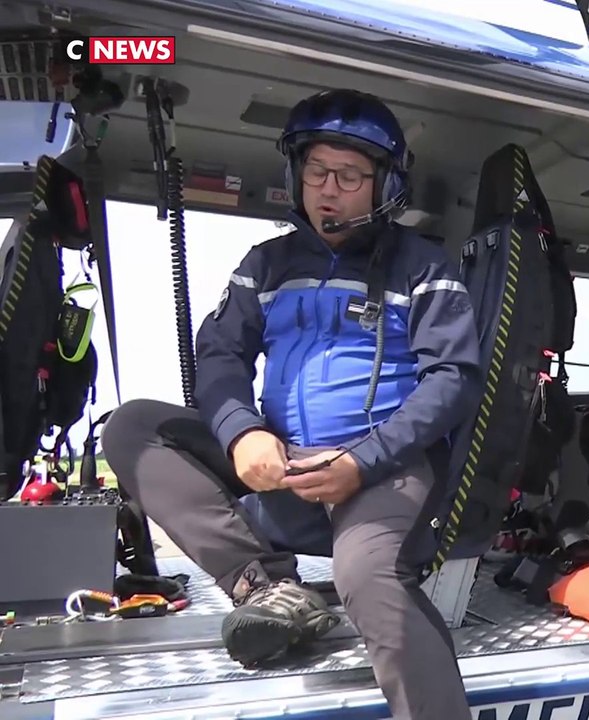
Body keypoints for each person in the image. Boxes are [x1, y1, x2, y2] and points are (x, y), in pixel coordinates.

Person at [102, 88, 480, 720]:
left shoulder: (424, 267)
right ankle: (269, 587)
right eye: (315, 171)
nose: (328, 189)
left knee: (369, 581)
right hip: (283, 469)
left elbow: (454, 380)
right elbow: (219, 357)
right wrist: (241, 431)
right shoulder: (265, 265)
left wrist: (364, 461)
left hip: (385, 473)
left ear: (384, 185)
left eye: (350, 176)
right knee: (134, 425)